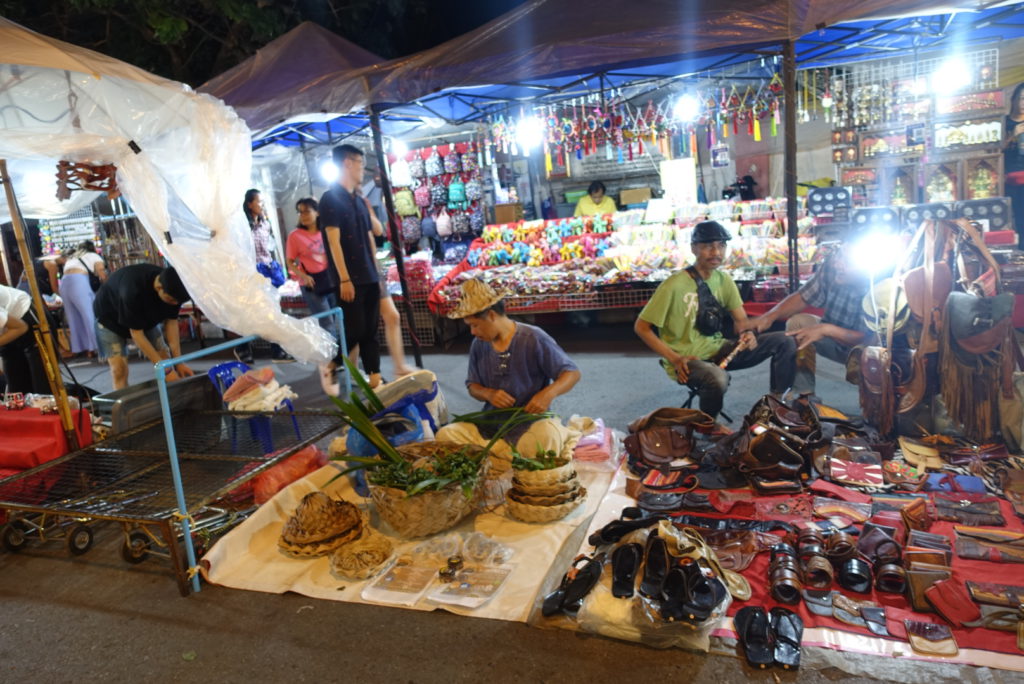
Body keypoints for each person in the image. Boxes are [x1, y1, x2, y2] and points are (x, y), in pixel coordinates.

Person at [634, 220, 797, 419]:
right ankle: (708, 424)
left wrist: (748, 334)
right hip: (686, 360)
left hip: (719, 349)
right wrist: (674, 358)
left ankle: (778, 404)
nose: (716, 252)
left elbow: (742, 322)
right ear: (694, 249)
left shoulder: (724, 280)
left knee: (785, 341)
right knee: (717, 378)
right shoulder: (673, 285)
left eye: (721, 245)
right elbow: (641, 327)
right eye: (708, 246)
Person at [435, 279, 581, 466]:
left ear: (492, 315)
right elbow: (472, 386)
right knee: (445, 435)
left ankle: (496, 460)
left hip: (529, 424)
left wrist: (547, 394)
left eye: (475, 325)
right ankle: (509, 459)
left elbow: (572, 373)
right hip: (492, 425)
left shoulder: (532, 337)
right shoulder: (479, 344)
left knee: (547, 437)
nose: (472, 332)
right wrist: (488, 394)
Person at [749, 243, 871, 398]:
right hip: (832, 338)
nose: (837, 263)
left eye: (846, 261)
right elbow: (803, 296)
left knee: (878, 409)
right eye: (839, 256)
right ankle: (805, 397)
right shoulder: (833, 268)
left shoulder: (879, 287)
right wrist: (770, 316)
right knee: (798, 324)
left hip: (865, 350)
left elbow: (868, 339)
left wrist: (826, 329)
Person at [318, 144, 382, 392]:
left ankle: (375, 380)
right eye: (360, 163)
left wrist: (375, 270)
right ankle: (331, 364)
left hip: (369, 275)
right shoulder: (330, 199)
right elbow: (333, 242)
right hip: (348, 279)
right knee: (354, 331)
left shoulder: (358, 199)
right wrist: (344, 279)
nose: (362, 169)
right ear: (347, 163)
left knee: (371, 331)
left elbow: (369, 236)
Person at [93, 264, 194, 390]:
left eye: (177, 302)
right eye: (171, 301)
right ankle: (124, 405)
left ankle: (172, 402)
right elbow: (137, 335)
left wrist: (179, 363)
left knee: (164, 356)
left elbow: (171, 323)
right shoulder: (132, 290)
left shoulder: (173, 285)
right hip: (109, 318)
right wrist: (166, 371)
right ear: (159, 287)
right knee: (119, 369)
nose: (174, 304)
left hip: (145, 316)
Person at [360, 192, 415, 378]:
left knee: (392, 316)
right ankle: (351, 372)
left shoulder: (360, 202)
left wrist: (364, 207)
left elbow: (378, 231)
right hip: (355, 274)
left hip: (372, 270)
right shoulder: (337, 204)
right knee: (359, 329)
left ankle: (399, 366)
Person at [239, 188, 291, 364]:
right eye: (259, 202)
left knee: (273, 311)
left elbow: (270, 248)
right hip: (251, 273)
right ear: (249, 204)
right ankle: (243, 349)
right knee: (249, 313)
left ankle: (277, 350)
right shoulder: (242, 228)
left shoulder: (265, 224)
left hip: (268, 271)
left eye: (262, 202)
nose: (262, 205)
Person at [285, 198, 337, 334]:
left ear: (317, 212)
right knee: (327, 323)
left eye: (307, 212)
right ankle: (333, 355)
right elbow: (289, 261)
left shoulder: (326, 231)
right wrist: (304, 276)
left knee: (337, 317)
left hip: (331, 279)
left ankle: (341, 352)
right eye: (300, 212)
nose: (303, 216)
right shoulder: (294, 236)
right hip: (311, 284)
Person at [60, 240, 106, 358]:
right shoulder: (93, 255)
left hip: (64, 283)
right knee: (89, 316)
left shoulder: (73, 257)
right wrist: (108, 283)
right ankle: (98, 348)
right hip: (78, 282)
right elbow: (101, 271)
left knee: (74, 318)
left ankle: (82, 348)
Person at [0, 283, 49, 394]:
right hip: (8, 331)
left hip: (29, 320)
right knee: (17, 394)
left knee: (42, 391)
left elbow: (21, 327)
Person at [1005, 82, 1024, 245]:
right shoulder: (1005, 122)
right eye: (1022, 99)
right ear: (1015, 100)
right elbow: (995, 149)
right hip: (1009, 176)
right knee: (1014, 216)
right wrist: (1013, 134)